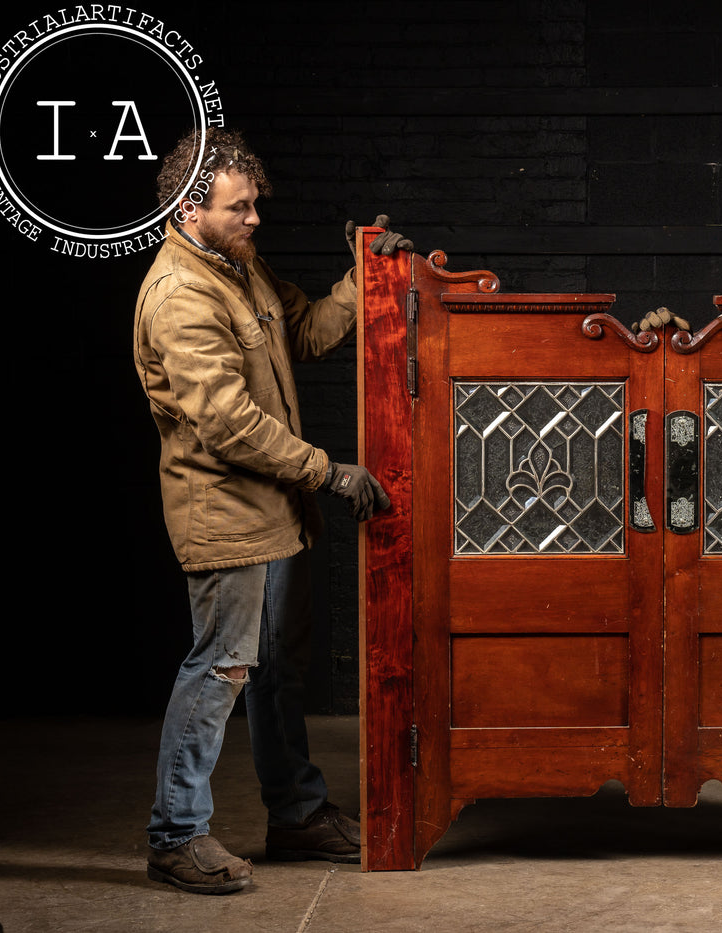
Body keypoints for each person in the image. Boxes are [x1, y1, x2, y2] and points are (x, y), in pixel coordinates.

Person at [133, 129, 409, 894]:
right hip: (226, 518)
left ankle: (296, 814)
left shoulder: (241, 271)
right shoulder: (183, 296)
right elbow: (223, 421)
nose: (255, 218)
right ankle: (175, 833)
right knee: (219, 667)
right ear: (193, 209)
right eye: (240, 207)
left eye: (256, 204)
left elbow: (314, 331)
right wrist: (328, 471)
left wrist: (364, 275)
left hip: (276, 515)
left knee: (277, 669)